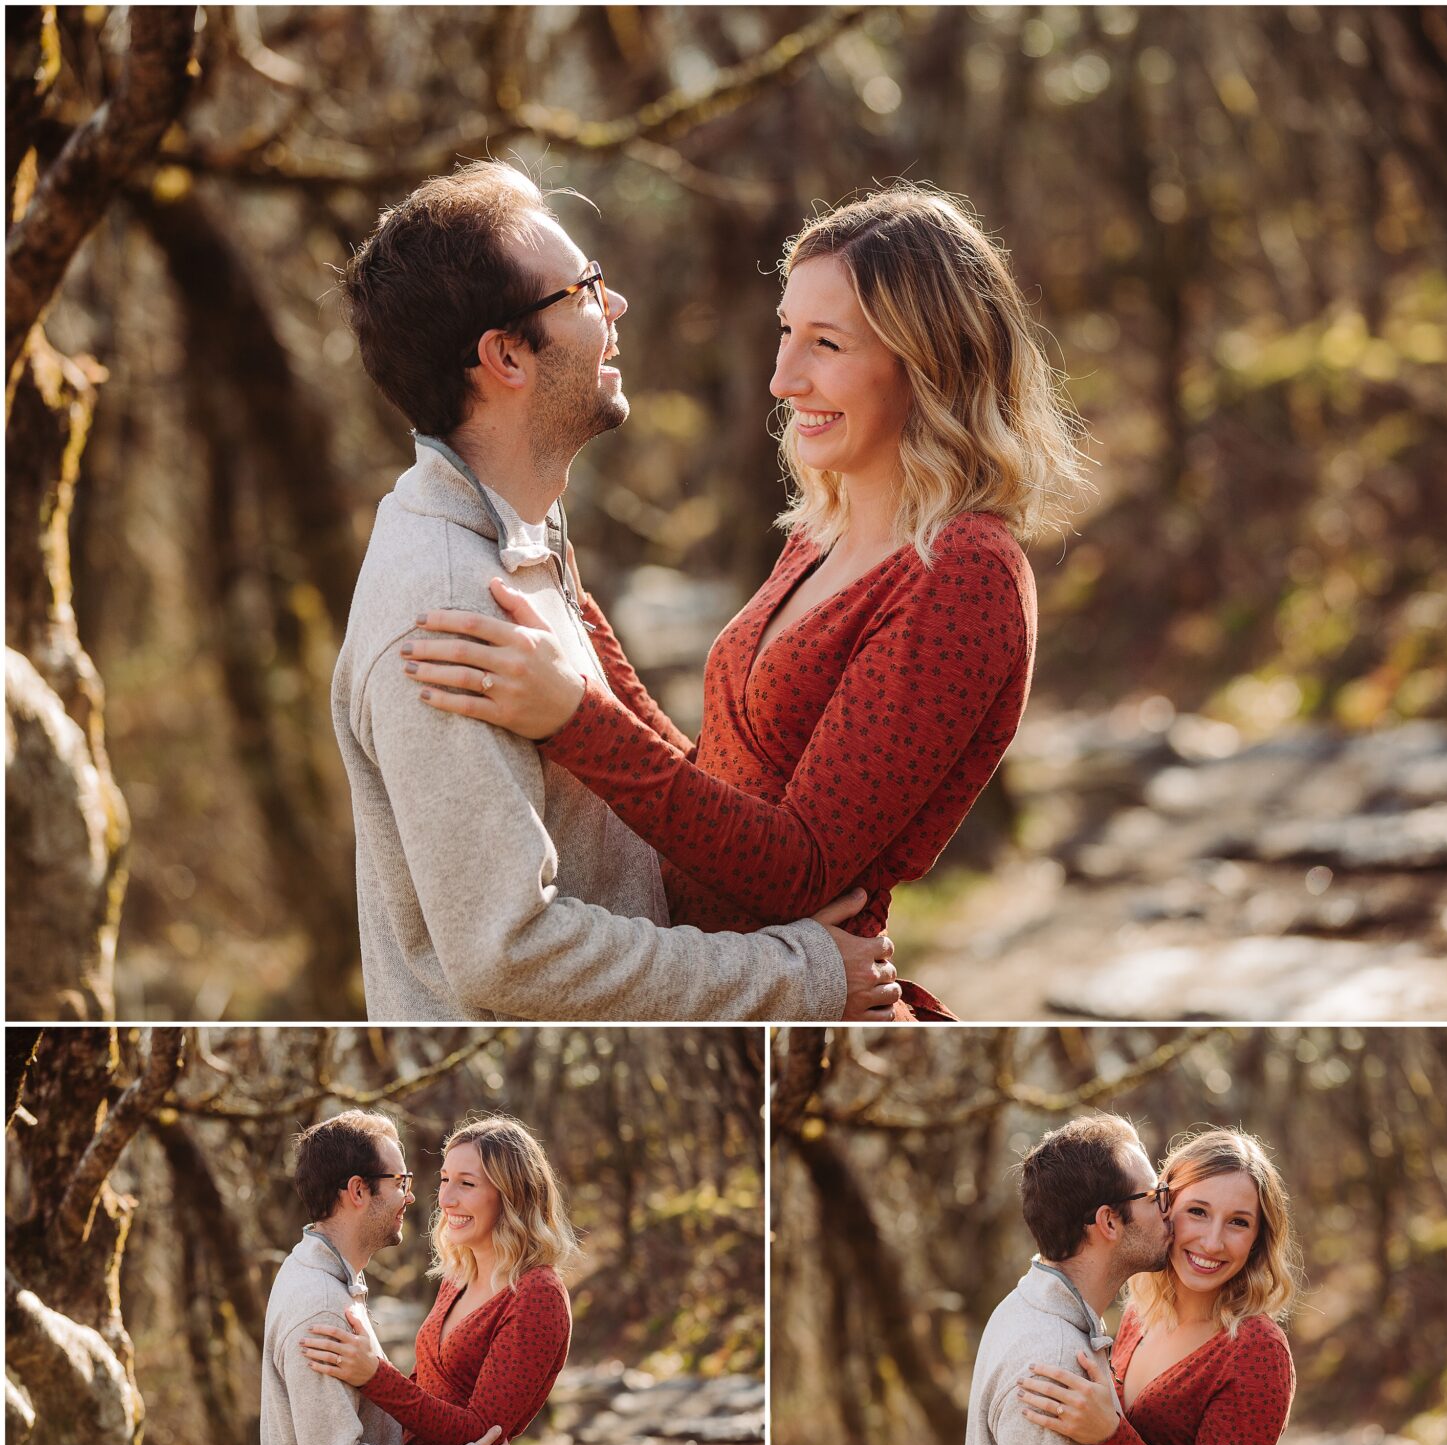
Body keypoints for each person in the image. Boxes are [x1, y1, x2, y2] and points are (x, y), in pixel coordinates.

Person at [402, 184, 1089, 1021]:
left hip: (807, 1006)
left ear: (931, 360)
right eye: (785, 332)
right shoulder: (823, 531)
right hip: (723, 986)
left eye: (826, 345)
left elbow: (795, 865)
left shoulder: (962, 577)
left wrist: (578, 718)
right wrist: (574, 612)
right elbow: (716, 781)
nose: (782, 379)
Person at [334, 161, 900, 1026]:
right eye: (586, 287)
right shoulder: (446, 611)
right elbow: (512, 957)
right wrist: (796, 974)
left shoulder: (516, 541)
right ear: (506, 357)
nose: (618, 304)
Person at [300, 1116, 572, 1445]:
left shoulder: (538, 1295)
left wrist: (376, 1376)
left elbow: (482, 1432)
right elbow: (427, 1385)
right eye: (445, 1179)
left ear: (511, 1194)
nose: (446, 1198)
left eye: (467, 1183)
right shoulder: (457, 1274)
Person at [1022, 1128, 1298, 1445]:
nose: (1212, 1242)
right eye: (1198, 1212)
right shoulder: (1140, 1313)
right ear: (1164, 1207)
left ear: (1258, 1240)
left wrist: (1111, 1437)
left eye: (1238, 1222)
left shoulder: (1256, 1350)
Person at [260, 1109, 505, 1445]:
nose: (409, 1196)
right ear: (358, 1190)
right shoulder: (319, 1305)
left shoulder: (319, 1276)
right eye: (399, 1182)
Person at [960, 1113, 1168, 1445]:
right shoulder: (1054, 1363)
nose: (1170, 1208)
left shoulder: (1022, 1308)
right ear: (1109, 1222)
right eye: (1154, 1194)